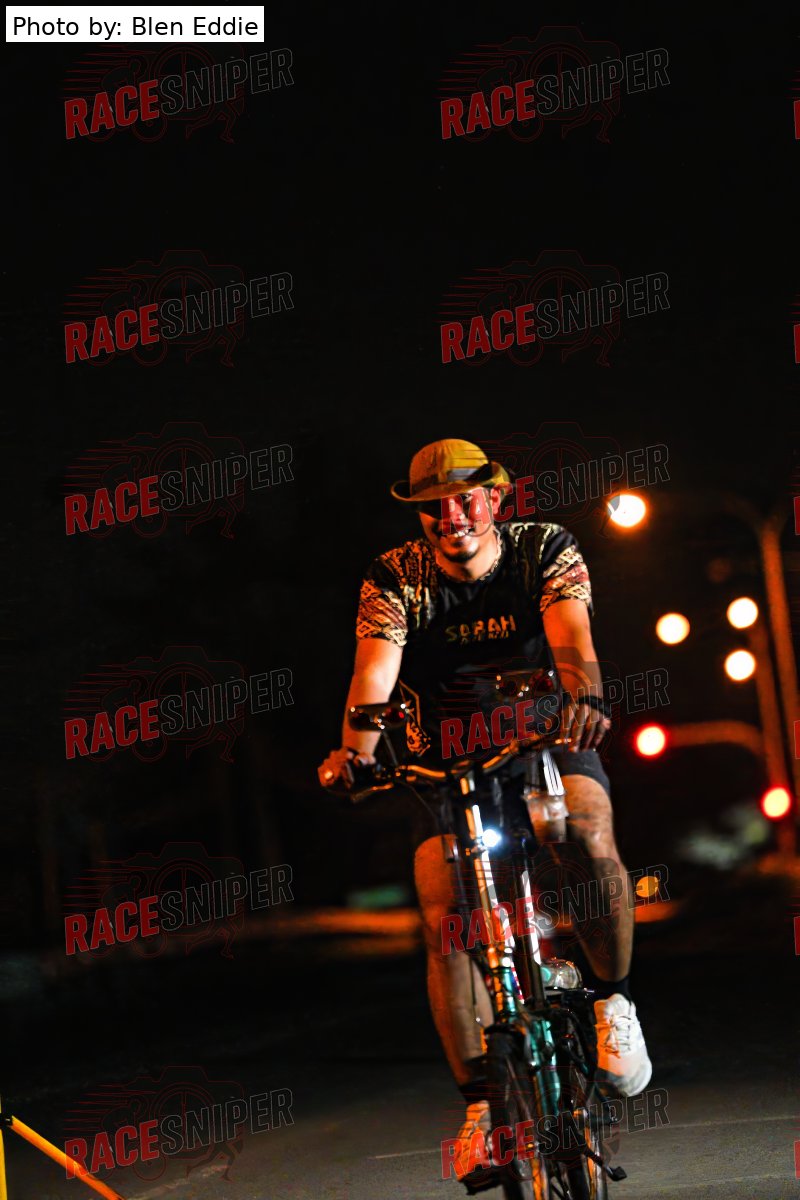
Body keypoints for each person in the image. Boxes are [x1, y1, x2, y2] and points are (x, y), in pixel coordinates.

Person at [318, 439, 652, 1183]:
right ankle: (482, 1105)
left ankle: (613, 1003)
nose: (452, 517)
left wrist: (586, 699)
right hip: (445, 761)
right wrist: (354, 753)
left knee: (586, 831)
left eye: (466, 500)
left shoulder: (544, 549)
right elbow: (372, 677)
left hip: (543, 737)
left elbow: (574, 642)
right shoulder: (394, 576)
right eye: (432, 507)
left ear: (496, 498)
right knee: (444, 914)